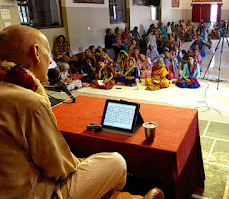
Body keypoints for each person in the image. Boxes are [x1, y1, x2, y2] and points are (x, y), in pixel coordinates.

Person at [0, 25, 132, 198]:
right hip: (37, 193)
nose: (50, 61)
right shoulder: (29, 102)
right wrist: (81, 163)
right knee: (116, 162)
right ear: (36, 52)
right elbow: (59, 168)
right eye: (49, 54)